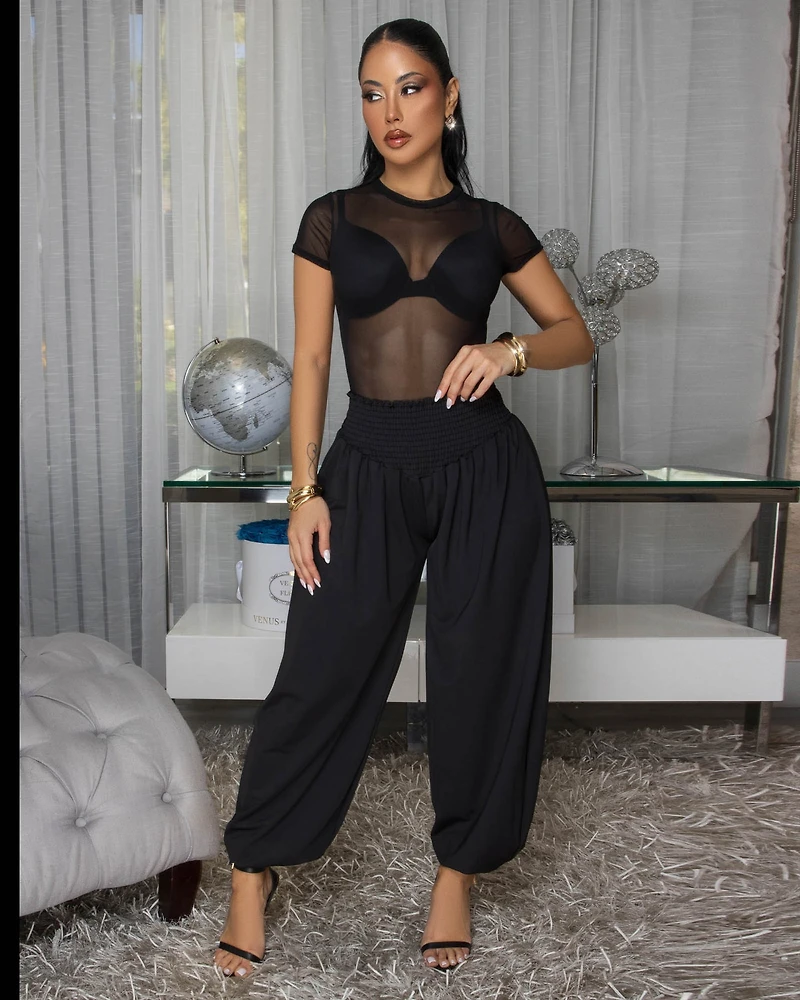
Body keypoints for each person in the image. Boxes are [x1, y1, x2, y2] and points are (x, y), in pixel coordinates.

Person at [213, 16, 593, 981]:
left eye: (411, 87)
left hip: (486, 468)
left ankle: (456, 873)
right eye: (373, 92)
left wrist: (509, 349)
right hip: (368, 466)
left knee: (481, 673)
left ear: (450, 96)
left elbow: (573, 333)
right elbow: (308, 361)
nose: (391, 110)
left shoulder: (495, 226)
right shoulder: (331, 220)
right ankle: (254, 869)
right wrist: (305, 489)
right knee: (321, 669)